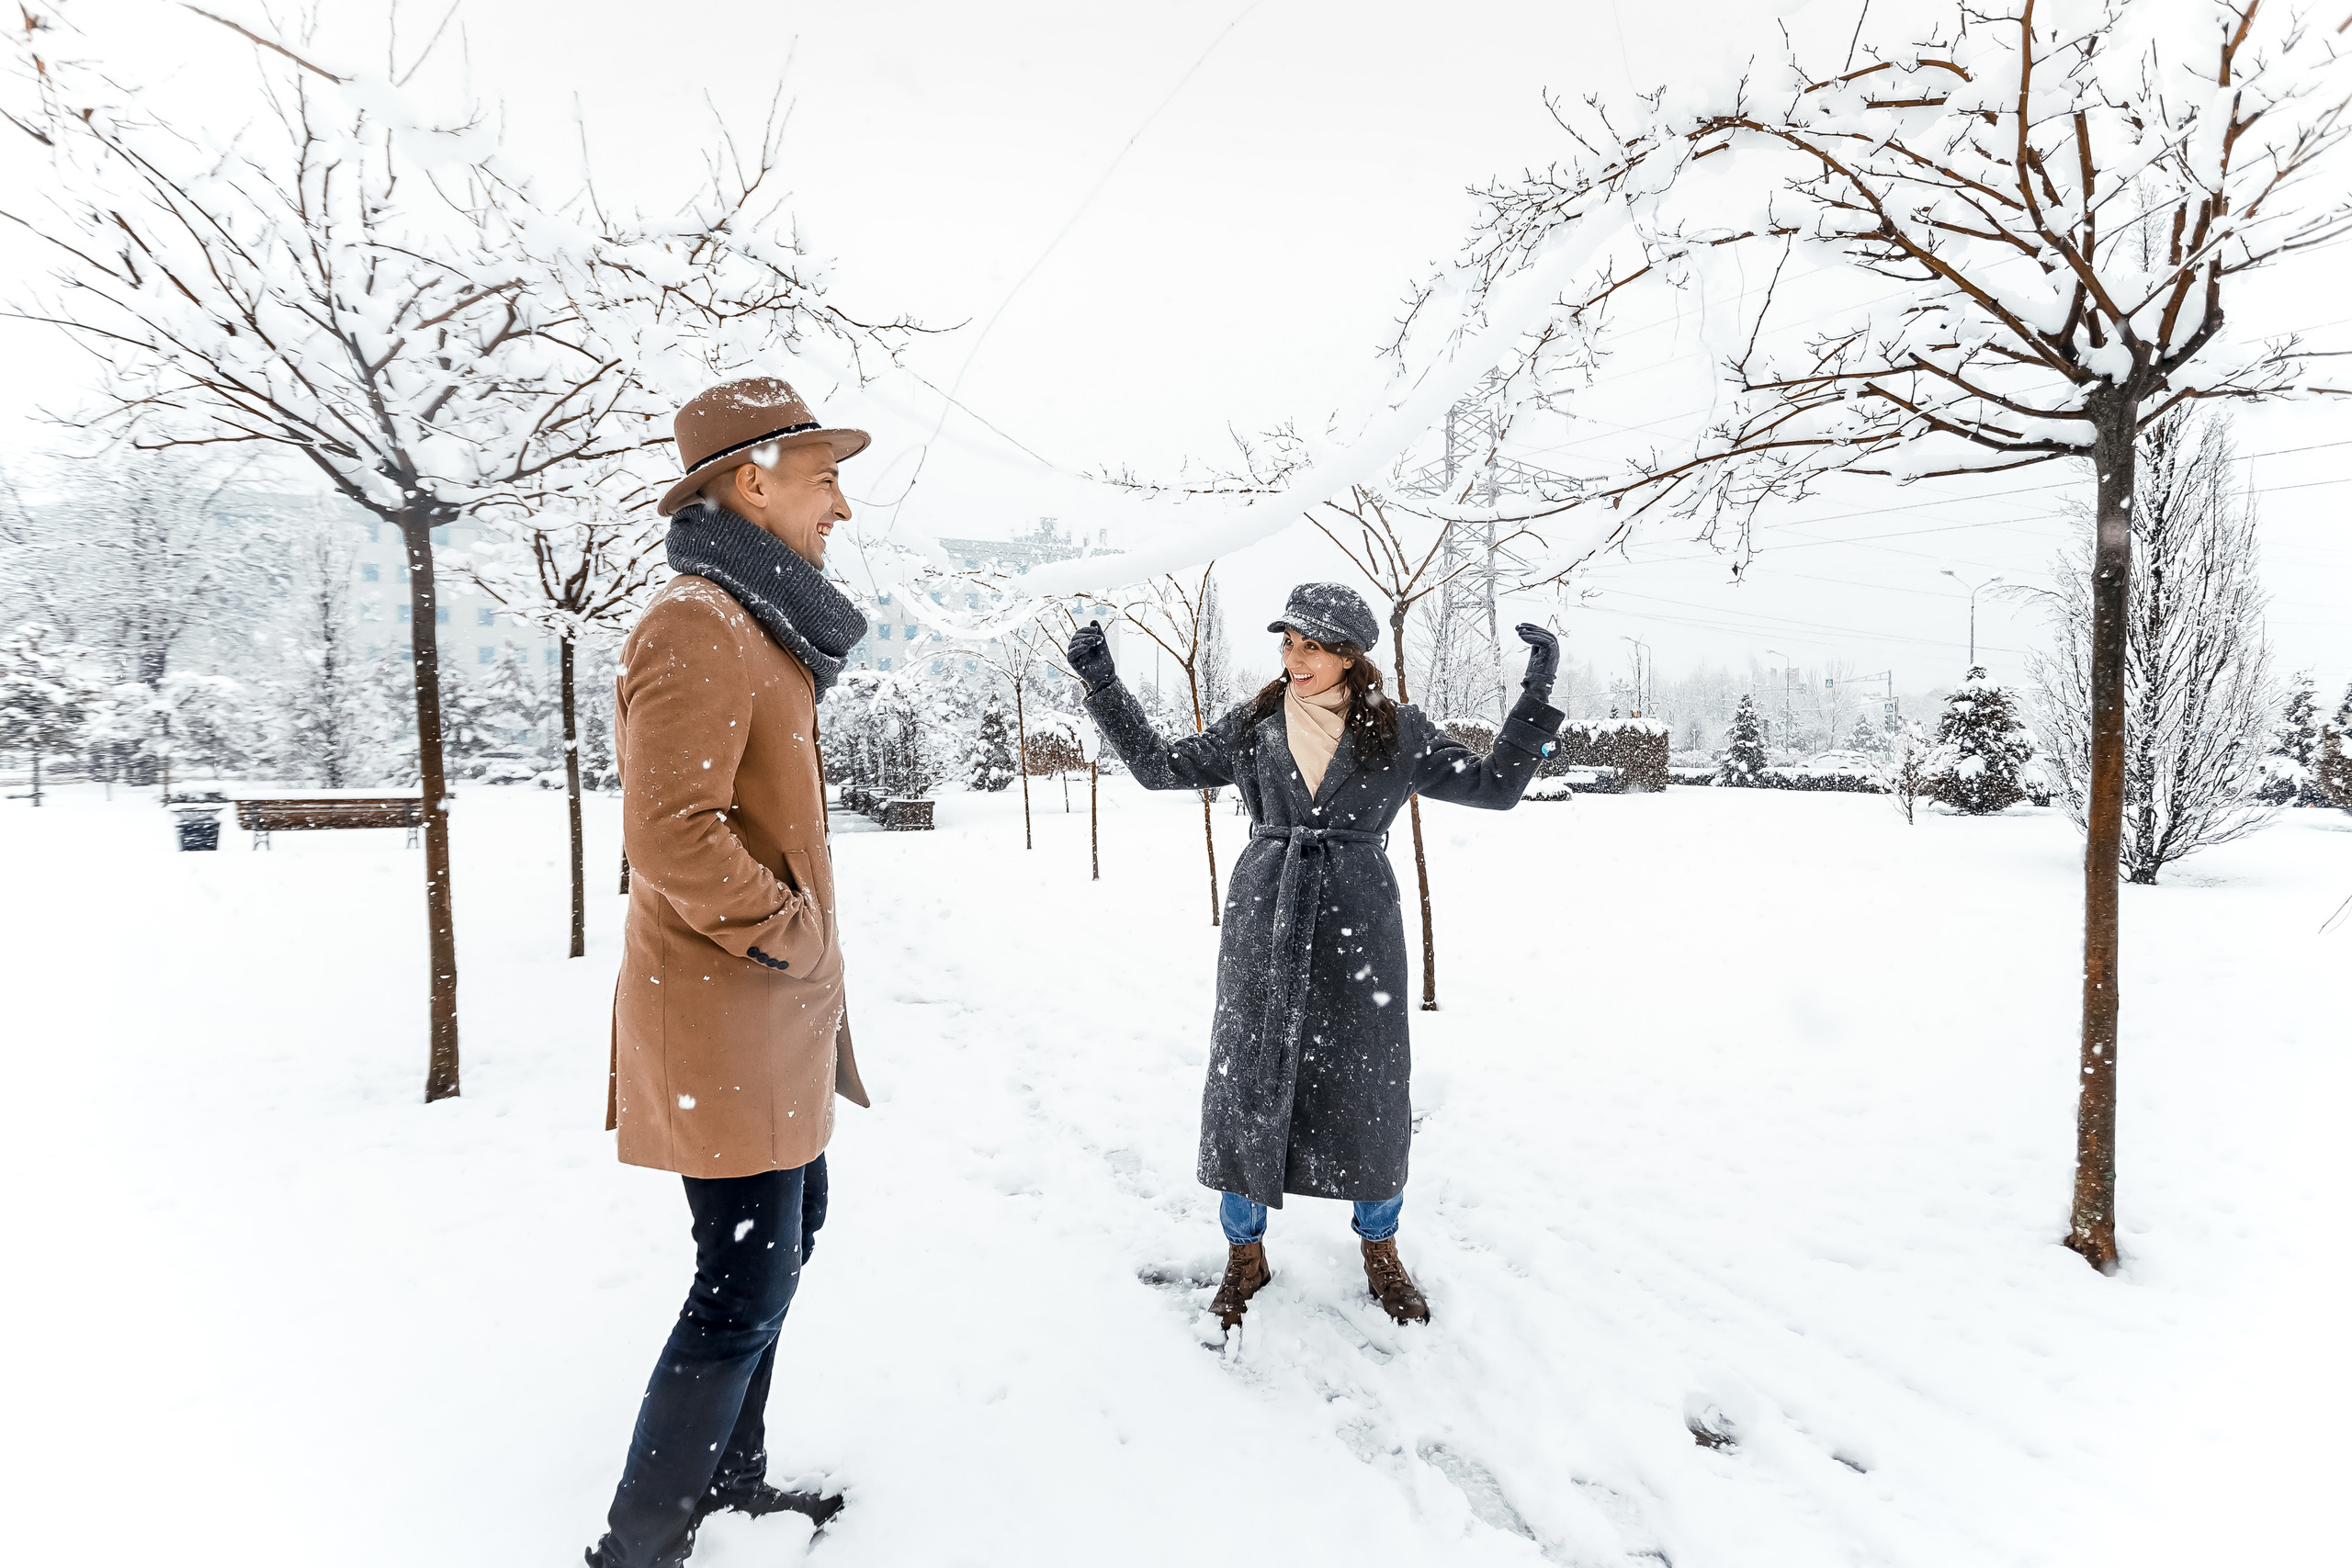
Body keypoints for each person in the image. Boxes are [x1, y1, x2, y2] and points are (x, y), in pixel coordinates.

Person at [1069, 583, 1563, 1328]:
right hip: (1266, 918)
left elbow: (1495, 788)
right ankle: (1244, 1252)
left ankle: (1380, 1246)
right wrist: (1103, 685)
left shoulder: (1399, 732)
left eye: (1313, 645)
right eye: (1288, 643)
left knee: (1370, 1092)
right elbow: (1160, 766)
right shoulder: (1257, 724)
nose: (1295, 658)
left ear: (1349, 655)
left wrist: (1536, 692)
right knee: (1249, 1084)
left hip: (1360, 925)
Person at [589, 378, 875, 1568]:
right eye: (824, 477)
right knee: (741, 1280)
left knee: (787, 1234)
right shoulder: (698, 622)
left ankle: (733, 1475)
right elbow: (671, 832)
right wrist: (794, 932)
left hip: (770, 1021)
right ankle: (643, 1542)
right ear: (752, 481)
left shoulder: (756, 621)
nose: (842, 505)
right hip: (728, 1017)